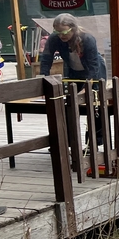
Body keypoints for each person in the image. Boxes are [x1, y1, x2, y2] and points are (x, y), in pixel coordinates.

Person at [39, 13, 107, 148]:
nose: (61, 35)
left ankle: (94, 143)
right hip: (73, 71)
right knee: (68, 105)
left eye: (64, 32)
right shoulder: (54, 39)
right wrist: (43, 79)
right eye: (57, 32)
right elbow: (46, 59)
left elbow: (93, 66)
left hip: (94, 70)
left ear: (73, 28)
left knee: (95, 106)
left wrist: (85, 88)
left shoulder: (87, 39)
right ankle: (68, 142)